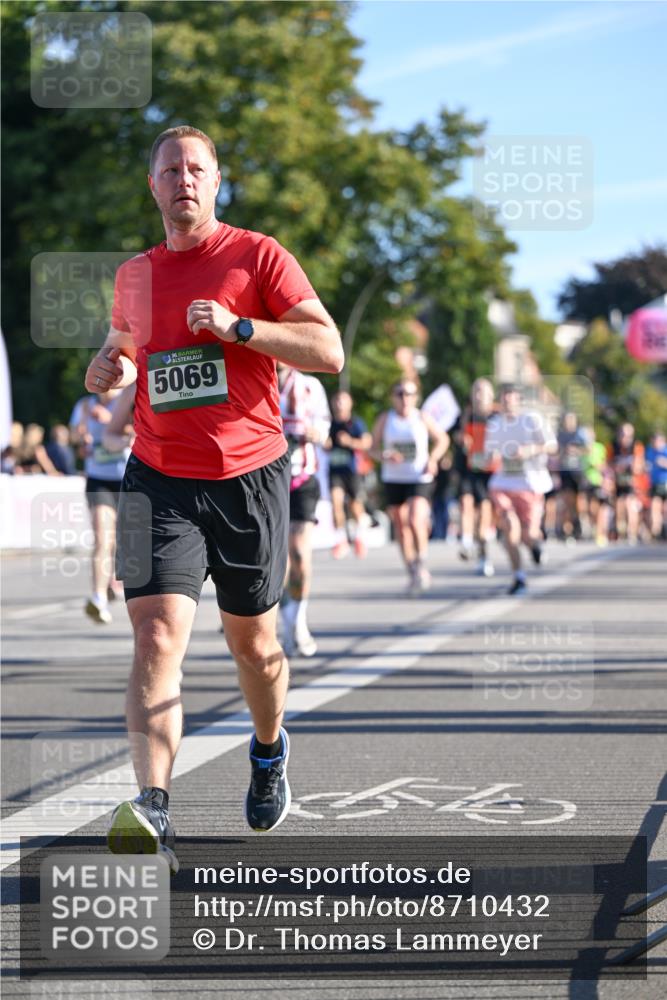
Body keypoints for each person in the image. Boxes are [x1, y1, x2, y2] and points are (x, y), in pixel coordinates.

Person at [84, 125, 342, 870]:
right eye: (170, 170)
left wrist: (241, 327)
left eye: (196, 168)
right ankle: (153, 805)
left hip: (249, 478)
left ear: (218, 180)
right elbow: (126, 352)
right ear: (153, 186)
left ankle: (267, 749)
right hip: (157, 475)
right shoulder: (134, 274)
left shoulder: (259, 256)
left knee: (254, 649)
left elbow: (328, 352)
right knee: (156, 636)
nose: (184, 180)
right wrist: (108, 370)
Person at [370, 379, 449, 594]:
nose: (405, 398)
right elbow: (372, 449)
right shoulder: (386, 419)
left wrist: (433, 459)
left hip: (419, 477)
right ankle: (411, 569)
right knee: (401, 527)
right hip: (394, 478)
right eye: (400, 394)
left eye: (409, 394)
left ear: (416, 397)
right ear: (393, 397)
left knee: (415, 520)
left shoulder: (422, 417)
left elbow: (443, 440)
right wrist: (384, 455)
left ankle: (421, 562)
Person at [277, 363, 331, 657]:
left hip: (302, 478)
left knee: (299, 551)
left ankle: (298, 620)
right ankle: (287, 619)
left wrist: (317, 432)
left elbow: (324, 425)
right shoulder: (256, 379)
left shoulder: (310, 386)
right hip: (267, 483)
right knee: (277, 559)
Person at [485, 386, 557, 595]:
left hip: (530, 483)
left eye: (511, 399)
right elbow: (490, 455)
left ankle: (535, 546)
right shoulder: (495, 424)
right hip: (503, 484)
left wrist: (529, 450)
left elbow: (551, 445)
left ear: (519, 401)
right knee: (509, 526)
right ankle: (518, 576)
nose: (507, 404)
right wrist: (490, 458)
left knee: (529, 533)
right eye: (504, 400)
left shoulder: (532, 419)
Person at [71, 389, 131, 623]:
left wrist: (111, 422)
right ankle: (98, 599)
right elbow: (75, 437)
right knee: (102, 538)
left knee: (120, 539)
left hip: (128, 478)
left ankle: (112, 582)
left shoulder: (127, 400)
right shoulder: (85, 405)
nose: (106, 386)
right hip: (98, 479)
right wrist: (82, 436)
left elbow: (144, 430)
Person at [454, 378, 498, 577]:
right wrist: (462, 438)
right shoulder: (465, 415)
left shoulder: (497, 416)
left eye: (483, 391)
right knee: (465, 502)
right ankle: (465, 542)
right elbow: (455, 435)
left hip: (489, 472)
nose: (479, 395)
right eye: (476, 391)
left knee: (483, 517)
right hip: (468, 467)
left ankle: (483, 556)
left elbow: (507, 439)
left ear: (491, 395)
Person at [325, 389, 372, 559]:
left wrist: (350, 442)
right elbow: (325, 443)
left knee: (355, 505)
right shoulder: (329, 423)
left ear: (350, 404)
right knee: (336, 503)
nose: (339, 404)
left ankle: (359, 538)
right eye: (336, 400)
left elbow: (367, 442)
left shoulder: (355, 423)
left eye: (343, 400)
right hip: (335, 470)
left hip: (352, 470)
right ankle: (341, 540)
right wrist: (326, 443)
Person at [609, 423, 643, 544]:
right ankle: (620, 532)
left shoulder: (636, 446)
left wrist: (632, 468)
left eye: (629, 435)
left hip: (631, 482)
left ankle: (632, 533)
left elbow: (639, 466)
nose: (626, 438)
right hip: (617, 482)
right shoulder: (613, 446)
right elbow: (608, 464)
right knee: (618, 507)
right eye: (623, 434)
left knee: (630, 506)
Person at [556, 411, 587, 542]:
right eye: (567, 420)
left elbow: (588, 449)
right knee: (567, 501)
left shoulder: (580, 434)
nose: (569, 423)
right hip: (565, 472)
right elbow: (555, 451)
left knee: (579, 502)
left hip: (577, 472)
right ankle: (567, 528)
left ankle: (578, 524)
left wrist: (576, 450)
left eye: (571, 420)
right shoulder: (560, 435)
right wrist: (563, 452)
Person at [645, 430, 667, 540]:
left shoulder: (665, 451)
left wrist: (664, 462)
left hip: (665, 482)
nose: (655, 444)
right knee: (654, 506)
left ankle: (663, 529)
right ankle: (656, 531)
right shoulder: (650, 451)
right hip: (655, 483)